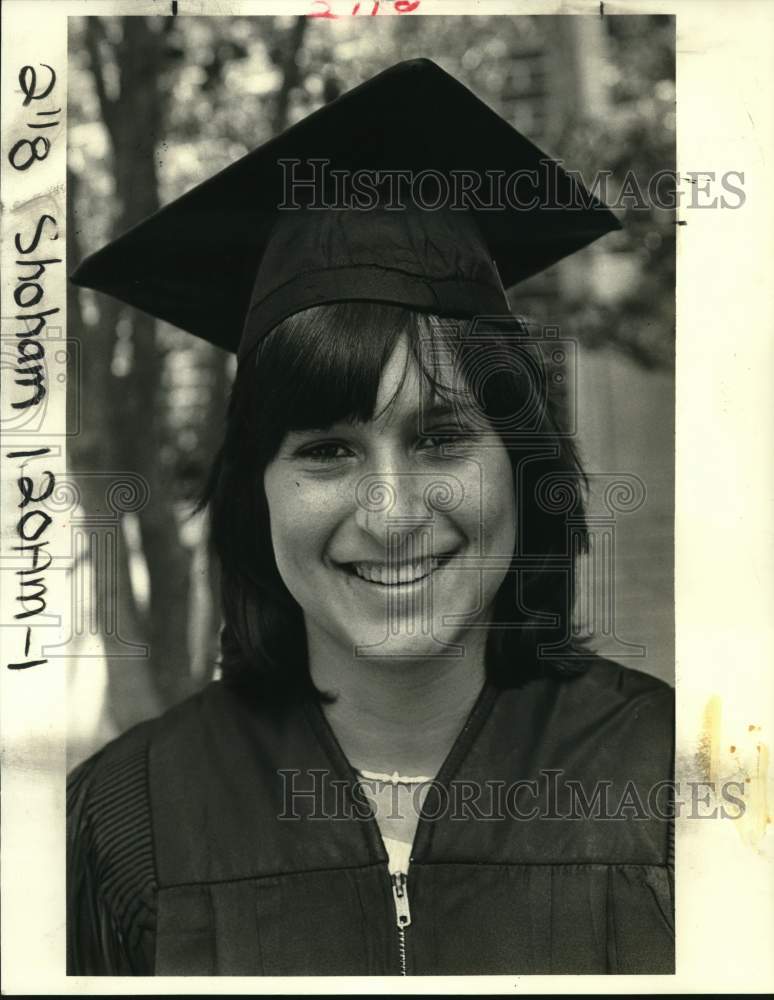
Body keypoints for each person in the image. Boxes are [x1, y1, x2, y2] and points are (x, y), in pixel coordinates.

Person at [67, 58, 674, 976]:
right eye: (326, 450)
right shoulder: (130, 822)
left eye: (440, 440)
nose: (391, 514)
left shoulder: (676, 787)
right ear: (254, 491)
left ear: (522, 466)